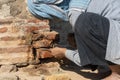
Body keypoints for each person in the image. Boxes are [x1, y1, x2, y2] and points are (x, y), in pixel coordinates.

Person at [27, 0, 120, 79]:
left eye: (47, 16)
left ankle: (117, 75)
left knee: (84, 21)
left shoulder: (76, 13)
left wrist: (64, 52)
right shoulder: (80, 3)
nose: (50, 21)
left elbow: (85, 59)